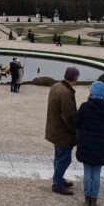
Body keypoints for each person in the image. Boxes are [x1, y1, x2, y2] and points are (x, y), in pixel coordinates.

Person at [75, 81, 104, 206]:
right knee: (96, 173)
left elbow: (77, 124)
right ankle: (94, 199)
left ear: (91, 92)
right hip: (101, 144)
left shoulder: (85, 106)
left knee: (87, 172)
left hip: (86, 143)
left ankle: (87, 199)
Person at [46, 67, 80, 195]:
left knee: (58, 156)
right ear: (76, 78)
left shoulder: (56, 86)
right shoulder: (65, 92)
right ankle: (57, 184)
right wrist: (75, 130)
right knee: (65, 159)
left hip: (54, 129)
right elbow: (68, 116)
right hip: (62, 132)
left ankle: (58, 178)